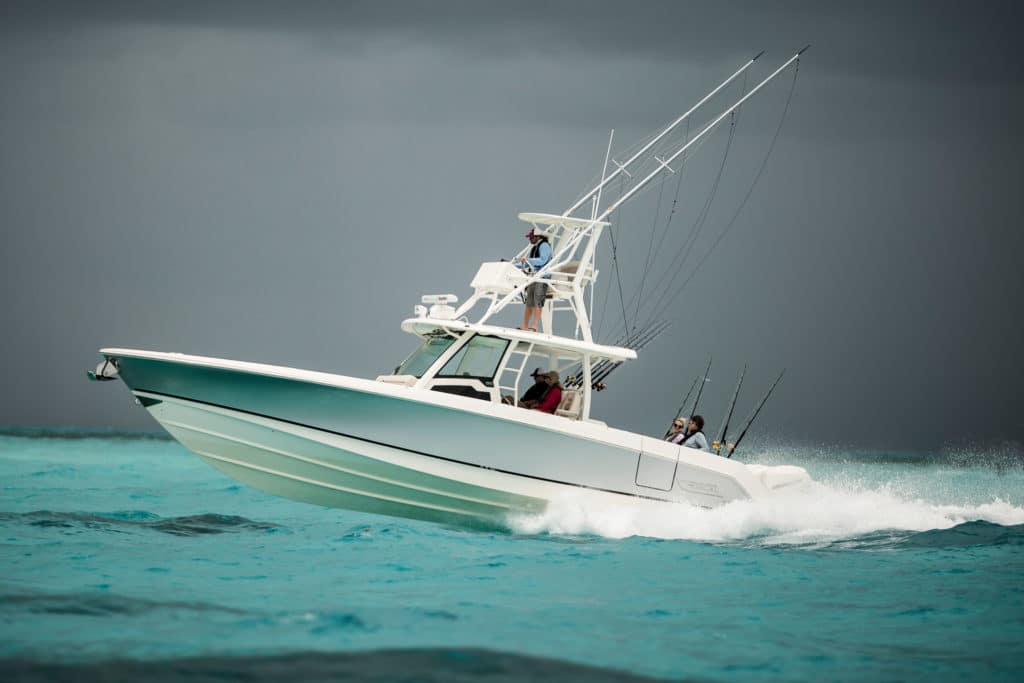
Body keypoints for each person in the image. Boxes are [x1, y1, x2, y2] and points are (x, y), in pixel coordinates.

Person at [514, 228, 552, 332]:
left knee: (537, 302)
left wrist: (527, 260)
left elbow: (542, 260)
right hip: (533, 277)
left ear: (537, 237)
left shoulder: (544, 246)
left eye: (531, 237)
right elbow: (528, 263)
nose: (529, 239)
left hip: (542, 278)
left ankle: (534, 326)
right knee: (529, 302)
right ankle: (524, 325)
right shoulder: (535, 247)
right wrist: (513, 265)